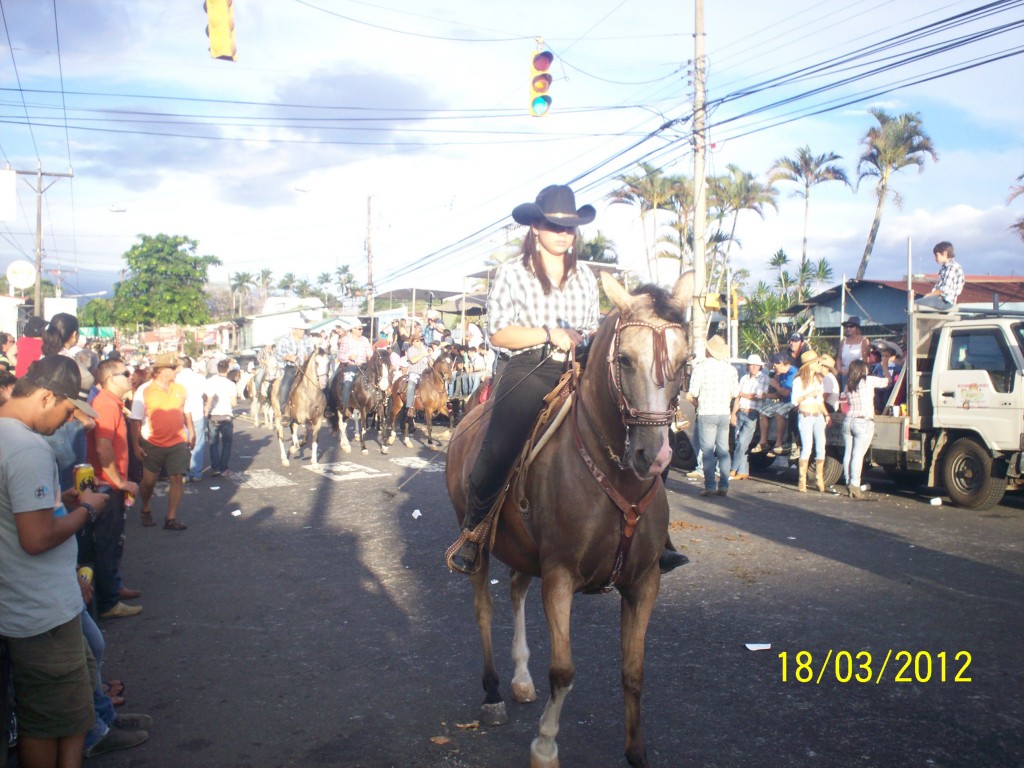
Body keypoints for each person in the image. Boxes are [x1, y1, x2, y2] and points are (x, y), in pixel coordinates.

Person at [448, 184, 601, 574]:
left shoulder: (586, 276)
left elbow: (593, 327)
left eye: (570, 227)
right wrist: (550, 334)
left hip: (580, 366)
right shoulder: (512, 274)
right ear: (535, 227)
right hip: (530, 366)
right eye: (554, 226)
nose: (564, 234)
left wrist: (590, 341)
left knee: (638, 424)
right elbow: (498, 332)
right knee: (502, 443)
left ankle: (652, 536)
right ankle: (474, 530)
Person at [0, 355, 119, 767]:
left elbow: (18, 521)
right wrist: (87, 511)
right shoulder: (27, 447)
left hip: (32, 604)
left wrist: (63, 506)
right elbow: (35, 539)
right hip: (41, 612)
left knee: (68, 712)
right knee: (48, 720)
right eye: (69, 410)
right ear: (47, 396)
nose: (71, 421)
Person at [83, 359, 142, 620]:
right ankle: (109, 603)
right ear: (110, 378)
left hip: (110, 483)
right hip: (107, 485)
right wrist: (118, 481)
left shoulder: (111, 403)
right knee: (107, 544)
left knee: (114, 542)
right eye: (125, 373)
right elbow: (102, 446)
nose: (131, 377)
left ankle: (114, 588)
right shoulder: (106, 404)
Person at [130, 352, 194, 531]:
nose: (176, 371)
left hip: (178, 441)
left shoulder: (180, 389)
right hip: (152, 442)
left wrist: (192, 432)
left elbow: (186, 412)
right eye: (173, 368)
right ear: (160, 370)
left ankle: (171, 518)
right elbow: (135, 420)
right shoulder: (145, 390)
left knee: (177, 477)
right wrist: (135, 445)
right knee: (149, 480)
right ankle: (145, 507)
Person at [687, 336, 739, 496]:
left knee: (707, 451)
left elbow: (691, 394)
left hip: (706, 412)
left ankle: (710, 485)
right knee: (724, 450)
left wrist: (698, 404)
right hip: (723, 412)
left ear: (708, 351)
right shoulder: (730, 370)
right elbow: (736, 393)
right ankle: (723, 485)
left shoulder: (700, 368)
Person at [842, 359, 892, 499]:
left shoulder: (848, 385)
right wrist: (885, 368)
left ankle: (847, 481)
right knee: (858, 455)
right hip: (863, 421)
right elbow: (887, 382)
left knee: (849, 453)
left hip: (849, 420)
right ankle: (855, 484)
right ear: (862, 370)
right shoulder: (868, 381)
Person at [791, 350, 831, 493]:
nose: (819, 364)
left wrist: (826, 414)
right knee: (807, 448)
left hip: (818, 415)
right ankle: (802, 479)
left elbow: (820, 400)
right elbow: (794, 400)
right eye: (817, 362)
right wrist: (808, 394)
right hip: (805, 415)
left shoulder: (818, 380)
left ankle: (819, 479)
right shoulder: (798, 381)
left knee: (821, 447)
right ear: (810, 365)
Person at [730, 353, 768, 481]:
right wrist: (733, 413)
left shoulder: (763, 378)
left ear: (759, 367)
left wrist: (741, 393)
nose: (753, 367)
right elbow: (737, 397)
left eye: (755, 365)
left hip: (752, 413)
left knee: (742, 442)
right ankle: (743, 471)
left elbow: (757, 396)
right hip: (741, 411)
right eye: (751, 365)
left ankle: (733, 469)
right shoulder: (744, 378)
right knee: (740, 443)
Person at [755, 353, 796, 456]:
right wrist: (767, 395)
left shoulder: (792, 372)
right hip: (784, 401)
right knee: (763, 411)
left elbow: (786, 392)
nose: (773, 368)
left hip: (794, 402)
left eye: (775, 365)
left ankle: (778, 444)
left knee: (779, 413)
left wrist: (775, 385)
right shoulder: (781, 374)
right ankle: (763, 441)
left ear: (781, 363)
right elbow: (780, 394)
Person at [174, 357, 208, 483]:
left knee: (182, 444)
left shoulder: (176, 378)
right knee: (198, 443)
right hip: (197, 413)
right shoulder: (199, 377)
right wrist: (207, 408)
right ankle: (196, 473)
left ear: (181, 365)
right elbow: (209, 394)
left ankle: (184, 473)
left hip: (181, 415)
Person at [204, 359, 238, 477]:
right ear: (227, 370)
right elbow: (234, 403)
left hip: (213, 415)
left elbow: (205, 397)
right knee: (226, 443)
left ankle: (215, 468)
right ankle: (224, 468)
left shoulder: (209, 381)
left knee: (213, 443)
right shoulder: (231, 384)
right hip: (226, 415)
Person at [333, 322, 373, 414]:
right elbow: (341, 355)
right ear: (353, 329)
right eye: (359, 329)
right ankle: (345, 405)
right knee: (347, 383)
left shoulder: (365, 340)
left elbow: (369, 353)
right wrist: (349, 357)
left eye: (362, 329)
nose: (361, 330)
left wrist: (371, 357)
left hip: (364, 366)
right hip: (351, 366)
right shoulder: (346, 340)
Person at [915, 241, 964, 311]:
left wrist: (929, 295)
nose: (934, 258)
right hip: (941, 299)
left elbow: (944, 289)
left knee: (914, 305)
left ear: (945, 253)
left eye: (936, 255)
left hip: (945, 301)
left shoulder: (951, 267)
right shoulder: (945, 268)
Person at [274, 323, 312, 411]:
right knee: (285, 386)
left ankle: (327, 407)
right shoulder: (285, 340)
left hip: (306, 367)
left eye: (303, 330)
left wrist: (309, 356)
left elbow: (312, 351)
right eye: (300, 329)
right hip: (292, 367)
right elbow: (277, 354)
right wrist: (287, 357)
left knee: (322, 381)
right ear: (294, 330)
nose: (302, 332)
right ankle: (283, 410)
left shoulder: (307, 340)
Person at [836, 316, 871, 388]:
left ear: (857, 328)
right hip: (844, 373)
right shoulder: (843, 341)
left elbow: (865, 360)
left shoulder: (864, 341)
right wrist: (839, 368)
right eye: (847, 326)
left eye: (851, 326)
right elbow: (839, 357)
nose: (848, 328)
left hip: (857, 374)